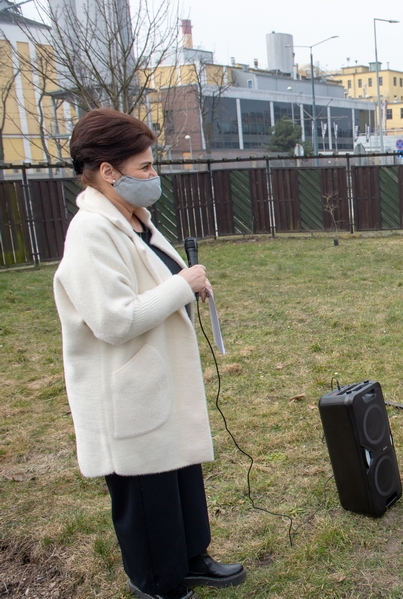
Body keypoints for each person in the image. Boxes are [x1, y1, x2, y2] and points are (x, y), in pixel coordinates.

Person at [53, 109, 246, 599]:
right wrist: (182, 285)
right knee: (146, 493)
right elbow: (114, 320)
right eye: (144, 167)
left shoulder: (136, 220)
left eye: (152, 164)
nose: (153, 175)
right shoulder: (90, 234)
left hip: (158, 378)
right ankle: (156, 582)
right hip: (126, 387)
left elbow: (157, 284)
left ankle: (190, 558)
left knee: (179, 475)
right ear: (106, 171)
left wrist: (184, 286)